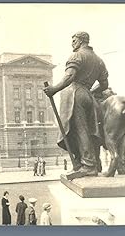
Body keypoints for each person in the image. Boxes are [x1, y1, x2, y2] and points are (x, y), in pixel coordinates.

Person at [44, 31, 109, 177]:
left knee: (79, 130)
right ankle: (80, 163)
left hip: (74, 94)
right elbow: (104, 84)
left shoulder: (77, 55)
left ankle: (88, 165)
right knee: (83, 130)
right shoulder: (99, 60)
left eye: (74, 40)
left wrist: (54, 89)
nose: (72, 43)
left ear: (81, 41)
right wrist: (90, 92)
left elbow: (70, 76)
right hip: (87, 95)